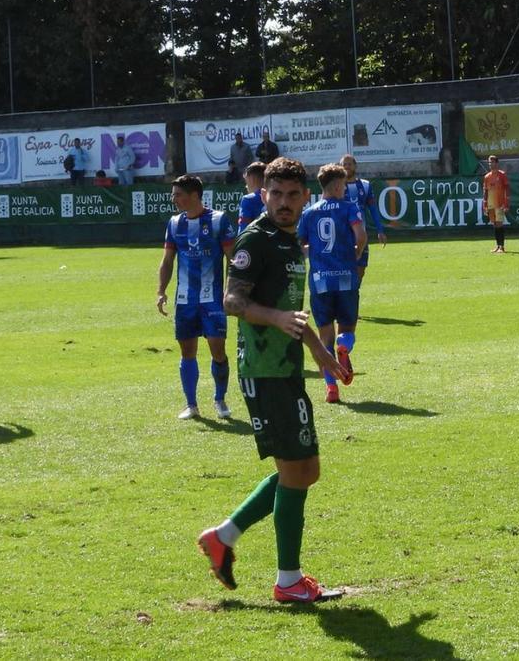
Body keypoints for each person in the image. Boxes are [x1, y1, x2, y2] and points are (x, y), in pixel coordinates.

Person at [196, 157, 348, 604]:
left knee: (304, 469)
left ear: (305, 197)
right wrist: (277, 317)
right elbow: (231, 301)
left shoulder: (289, 241)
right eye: (275, 194)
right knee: (296, 471)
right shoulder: (257, 240)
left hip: (284, 369)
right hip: (264, 372)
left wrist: (321, 354)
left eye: (292, 195)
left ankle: (223, 536)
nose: (283, 202)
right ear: (263, 195)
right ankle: (288, 581)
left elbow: (294, 314)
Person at [157, 175, 237, 420]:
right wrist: (161, 290)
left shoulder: (218, 220)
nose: (174, 200)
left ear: (194, 196)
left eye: (178, 194)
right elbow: (167, 260)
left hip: (212, 298)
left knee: (218, 351)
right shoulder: (174, 223)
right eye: (173, 195)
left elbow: (232, 259)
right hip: (185, 300)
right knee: (187, 352)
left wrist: (230, 291)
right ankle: (191, 405)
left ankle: (220, 399)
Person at [296, 163, 366, 404]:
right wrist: (355, 255)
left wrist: (313, 253)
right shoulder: (349, 208)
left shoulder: (309, 212)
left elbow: (299, 244)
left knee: (324, 336)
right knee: (346, 330)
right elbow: (361, 236)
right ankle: (344, 346)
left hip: (319, 281)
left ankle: (331, 389)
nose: (345, 190)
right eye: (344, 185)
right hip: (346, 277)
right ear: (336, 185)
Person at [339, 154, 386, 281]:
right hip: (343, 235)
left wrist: (380, 230)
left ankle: (354, 294)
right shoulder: (337, 187)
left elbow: (373, 209)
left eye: (349, 164)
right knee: (344, 270)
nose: (347, 167)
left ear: (355, 166)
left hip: (361, 235)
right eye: (344, 164)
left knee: (360, 270)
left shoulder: (365, 185)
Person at [482, 155, 510, 253]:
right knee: (494, 224)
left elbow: (507, 189)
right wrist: (484, 205)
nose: (491, 164)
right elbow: (485, 191)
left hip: (500, 203)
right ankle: (497, 246)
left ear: (497, 163)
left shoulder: (502, 175)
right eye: (489, 162)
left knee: (499, 224)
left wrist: (506, 203)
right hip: (490, 204)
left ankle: (502, 246)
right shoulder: (487, 177)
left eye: (492, 162)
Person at [238, 161, 267, 233]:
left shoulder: (248, 200)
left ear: (251, 179)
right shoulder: (274, 197)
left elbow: (243, 230)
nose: (246, 186)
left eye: (246, 182)